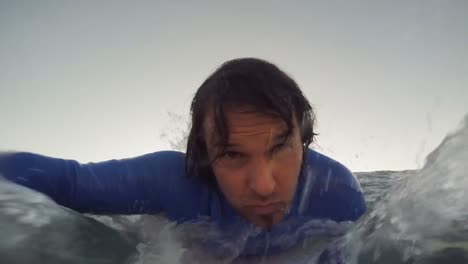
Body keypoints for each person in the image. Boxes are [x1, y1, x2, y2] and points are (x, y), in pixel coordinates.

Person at [0, 58, 366, 260]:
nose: (264, 185)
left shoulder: (337, 193)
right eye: (233, 155)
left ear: (303, 141)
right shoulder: (172, 180)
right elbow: (69, 182)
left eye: (280, 148)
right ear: (205, 155)